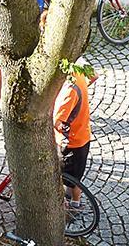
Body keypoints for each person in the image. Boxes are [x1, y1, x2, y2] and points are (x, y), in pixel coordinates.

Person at [52, 68, 93, 209]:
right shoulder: (78, 71)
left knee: (68, 177)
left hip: (70, 142)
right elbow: (94, 75)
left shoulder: (69, 91)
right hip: (83, 135)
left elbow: (57, 122)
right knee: (77, 174)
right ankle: (74, 200)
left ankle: (73, 205)